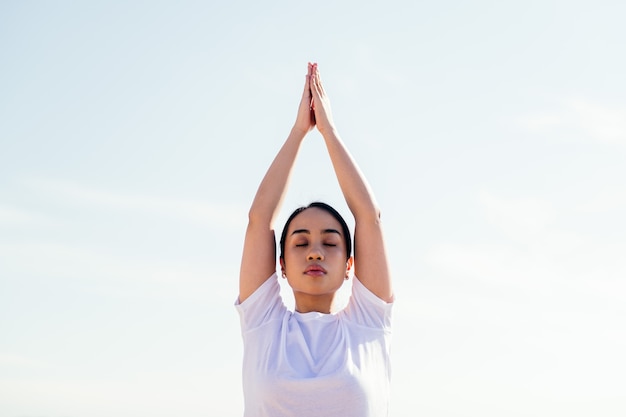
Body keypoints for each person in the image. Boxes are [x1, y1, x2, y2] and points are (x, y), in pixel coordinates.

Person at [236, 62, 394, 417]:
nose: (315, 253)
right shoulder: (264, 325)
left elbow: (369, 217)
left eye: (331, 242)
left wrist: (329, 132)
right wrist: (297, 132)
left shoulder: (367, 325)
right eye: (301, 243)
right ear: (281, 265)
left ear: (350, 264)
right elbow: (259, 221)